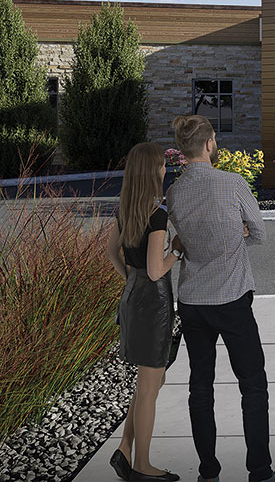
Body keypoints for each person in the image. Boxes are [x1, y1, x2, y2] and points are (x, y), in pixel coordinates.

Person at [166, 115, 275, 482]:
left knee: (199, 387)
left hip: (192, 301)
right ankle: (260, 472)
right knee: (253, 385)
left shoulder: (174, 192)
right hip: (233, 299)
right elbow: (258, 233)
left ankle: (208, 473)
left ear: (182, 149)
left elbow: (182, 241)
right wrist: (236, 234)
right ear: (209, 145)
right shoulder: (232, 182)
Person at [105, 142, 180, 482]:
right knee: (150, 385)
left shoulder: (126, 209)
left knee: (150, 380)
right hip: (154, 305)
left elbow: (111, 252)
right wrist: (176, 251)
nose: (165, 169)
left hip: (132, 298)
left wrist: (130, 279)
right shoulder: (156, 215)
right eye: (162, 165)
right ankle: (142, 466)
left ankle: (124, 446)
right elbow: (155, 269)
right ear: (153, 171)